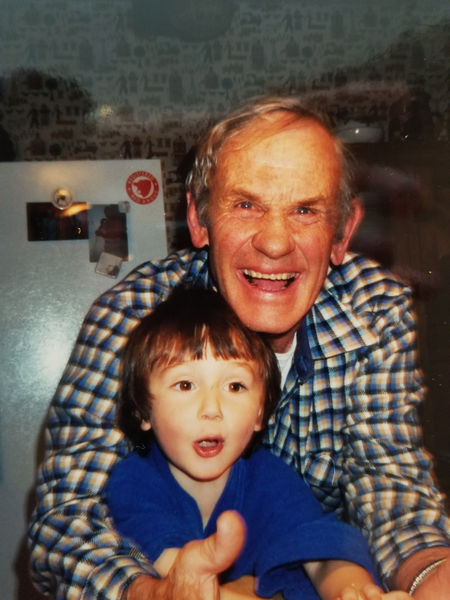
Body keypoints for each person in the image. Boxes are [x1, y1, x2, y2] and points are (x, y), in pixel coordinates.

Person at [28, 95, 450, 600]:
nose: (275, 242)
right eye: (246, 204)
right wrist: (156, 593)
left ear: (342, 233)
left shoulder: (374, 308)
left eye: (305, 209)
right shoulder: (133, 317)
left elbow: (388, 480)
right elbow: (66, 520)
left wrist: (430, 574)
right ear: (200, 220)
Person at [106, 286, 410, 600]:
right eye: (185, 384)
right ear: (143, 409)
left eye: (235, 386)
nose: (212, 409)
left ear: (260, 412)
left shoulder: (269, 478)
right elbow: (187, 584)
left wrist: (353, 590)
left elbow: (321, 548)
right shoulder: (133, 482)